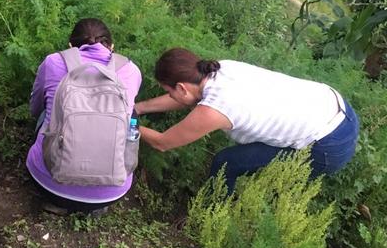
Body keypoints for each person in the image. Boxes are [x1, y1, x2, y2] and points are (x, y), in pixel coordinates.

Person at [136, 48, 359, 193]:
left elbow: (163, 143)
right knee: (245, 157)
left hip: (327, 144)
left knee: (228, 163)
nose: (170, 95)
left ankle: (214, 215)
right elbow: (184, 98)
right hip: (334, 105)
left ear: (181, 87)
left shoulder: (216, 108)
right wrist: (137, 108)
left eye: (169, 91)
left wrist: (128, 123)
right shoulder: (220, 68)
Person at [27, 18, 142, 215]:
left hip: (49, 184)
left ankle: (59, 201)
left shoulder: (54, 61)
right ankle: (95, 204)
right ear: (112, 47)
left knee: (48, 110)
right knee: (130, 115)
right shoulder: (130, 70)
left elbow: (35, 105)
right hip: (111, 192)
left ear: (71, 46)